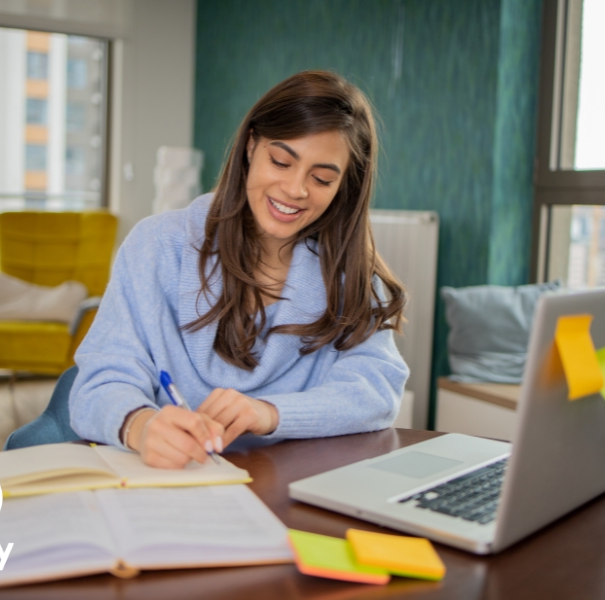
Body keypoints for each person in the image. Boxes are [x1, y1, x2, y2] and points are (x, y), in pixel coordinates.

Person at [69, 70, 409, 468]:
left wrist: (268, 412)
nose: (296, 189)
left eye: (321, 178)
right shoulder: (156, 246)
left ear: (342, 187)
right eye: (281, 161)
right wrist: (139, 425)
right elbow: (100, 381)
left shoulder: (352, 279)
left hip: (288, 487)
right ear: (251, 146)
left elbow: (376, 390)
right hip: (167, 483)